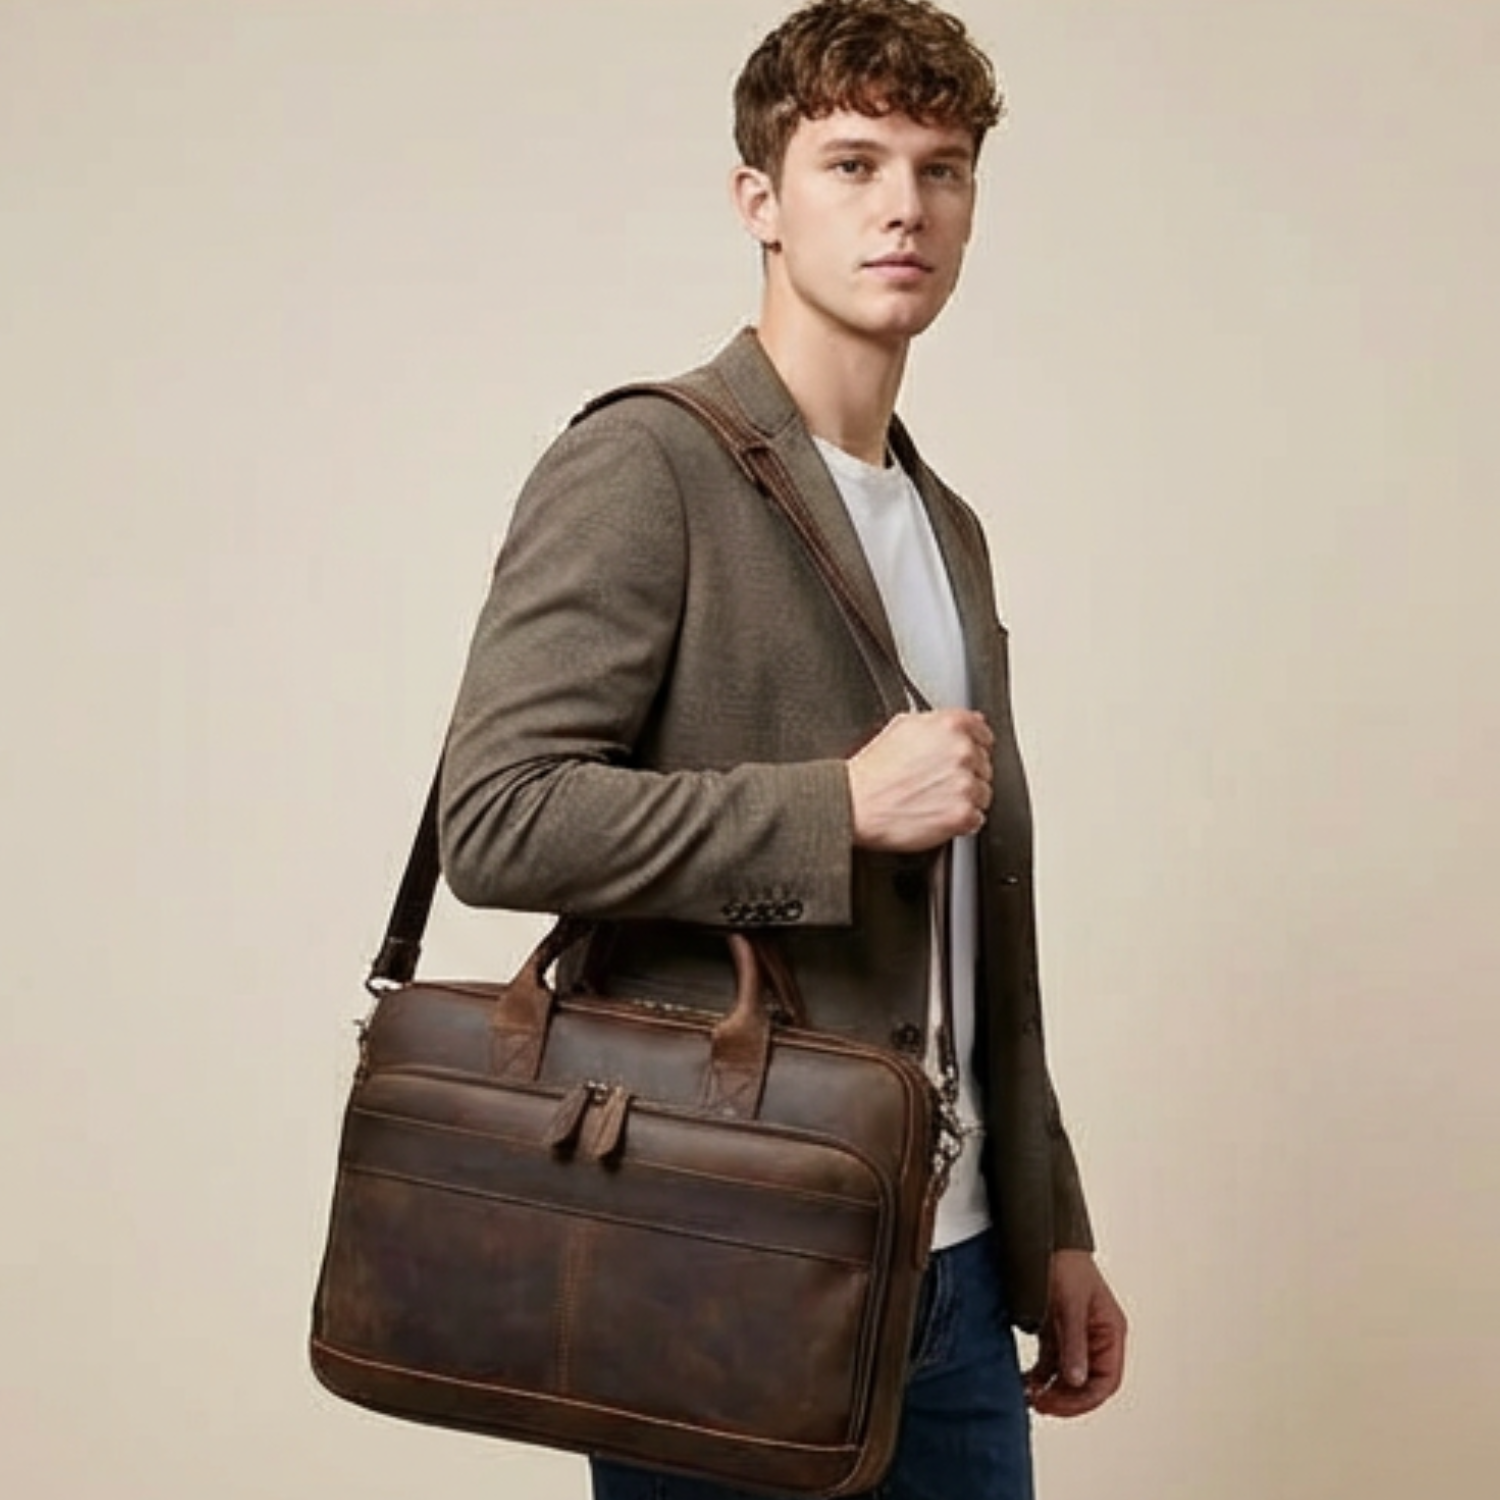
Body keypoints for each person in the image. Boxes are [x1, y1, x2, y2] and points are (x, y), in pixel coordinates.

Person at [438, 1, 1127, 1495]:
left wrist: (1050, 1220)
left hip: (953, 1281)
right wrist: (835, 809)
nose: (905, 207)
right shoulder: (647, 462)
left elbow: (972, 929)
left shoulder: (947, 527)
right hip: (723, 1252)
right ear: (760, 198)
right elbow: (493, 816)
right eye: (854, 163)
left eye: (942, 170)